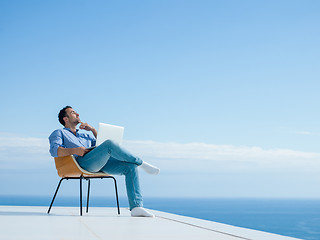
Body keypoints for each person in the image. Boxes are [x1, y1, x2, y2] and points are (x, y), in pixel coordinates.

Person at [48, 106, 160, 217]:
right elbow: (54, 151)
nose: (77, 114)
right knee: (110, 144)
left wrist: (93, 130)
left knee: (130, 167)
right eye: (73, 113)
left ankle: (136, 207)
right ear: (65, 119)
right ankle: (142, 163)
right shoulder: (59, 133)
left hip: (99, 163)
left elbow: (100, 145)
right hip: (81, 163)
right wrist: (75, 150)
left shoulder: (85, 135)